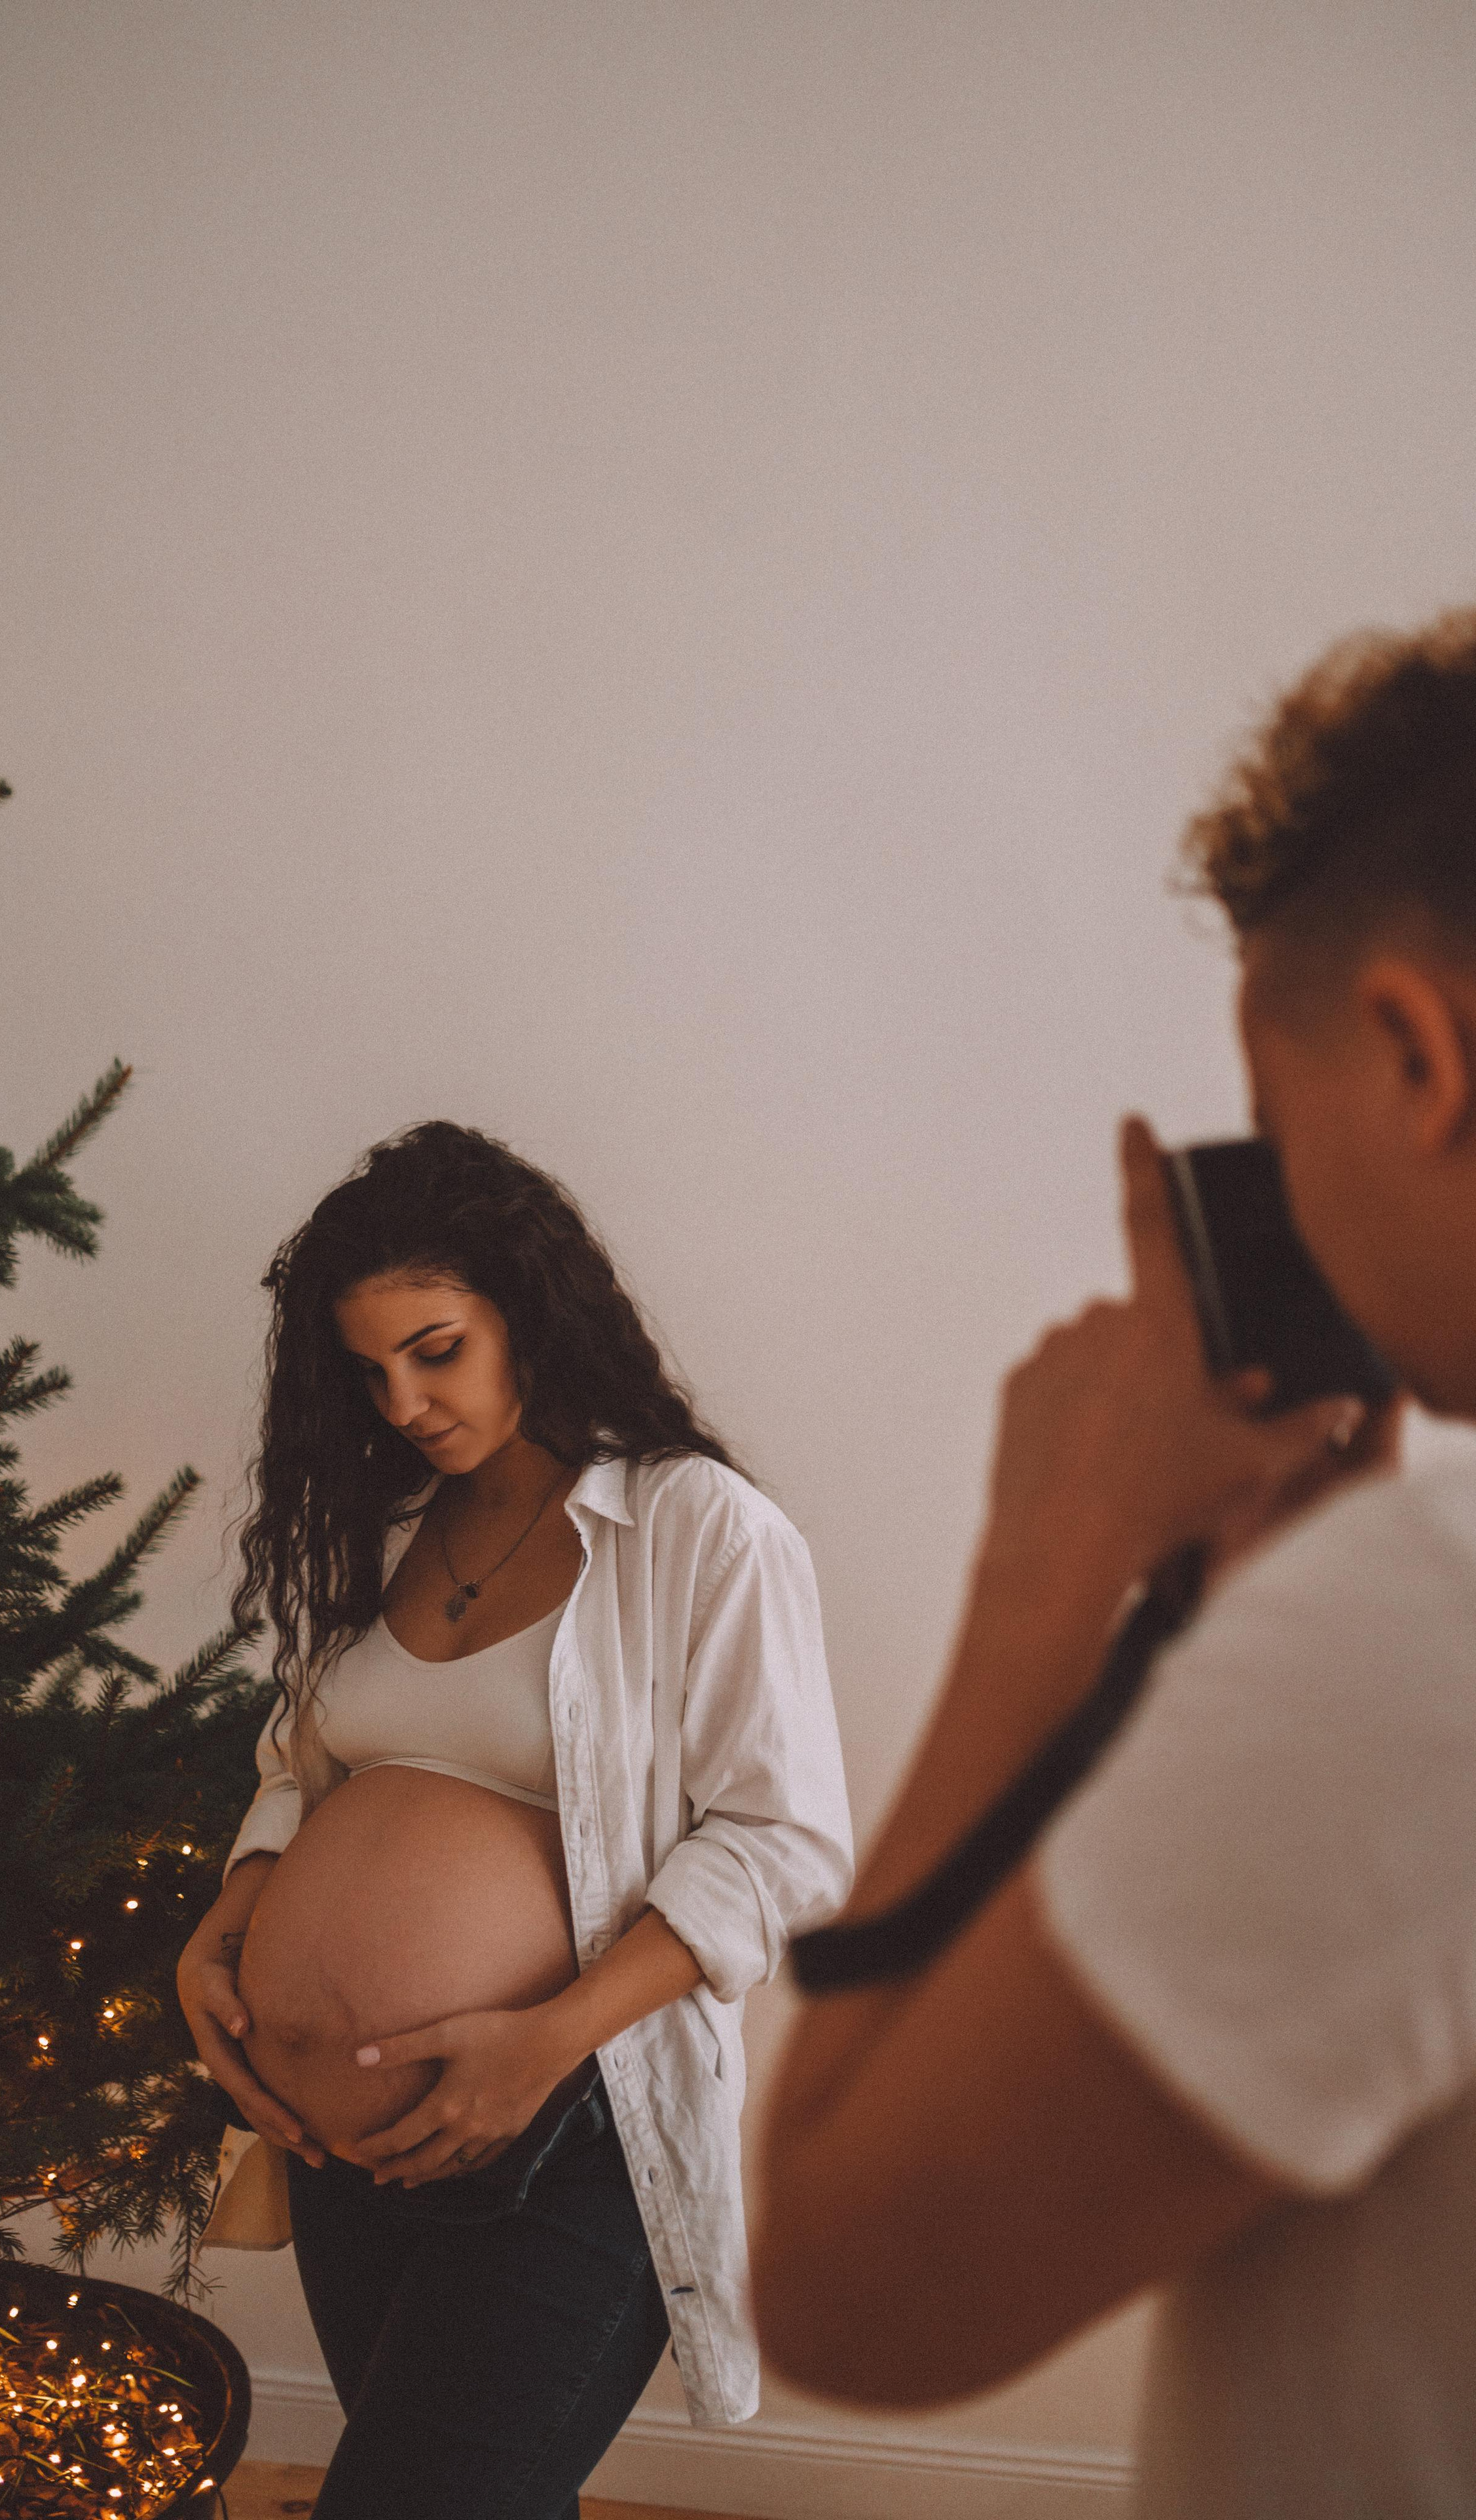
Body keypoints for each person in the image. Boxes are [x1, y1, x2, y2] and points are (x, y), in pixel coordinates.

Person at [753, 609, 1476, 2517]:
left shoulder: (1426, 1629)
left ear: (1417, 1053)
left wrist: (1046, 1567)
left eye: (1283, 1106)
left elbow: (838, 2288)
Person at [177, 1120, 852, 2519]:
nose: (405, 1401)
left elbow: (780, 1840)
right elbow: (303, 1765)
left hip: (565, 2131)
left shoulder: (693, 1530)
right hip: (346, 2158)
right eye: (369, 1372)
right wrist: (231, 1923)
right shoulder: (381, 1532)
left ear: (528, 1313)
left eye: (436, 1348)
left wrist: (539, 2041)